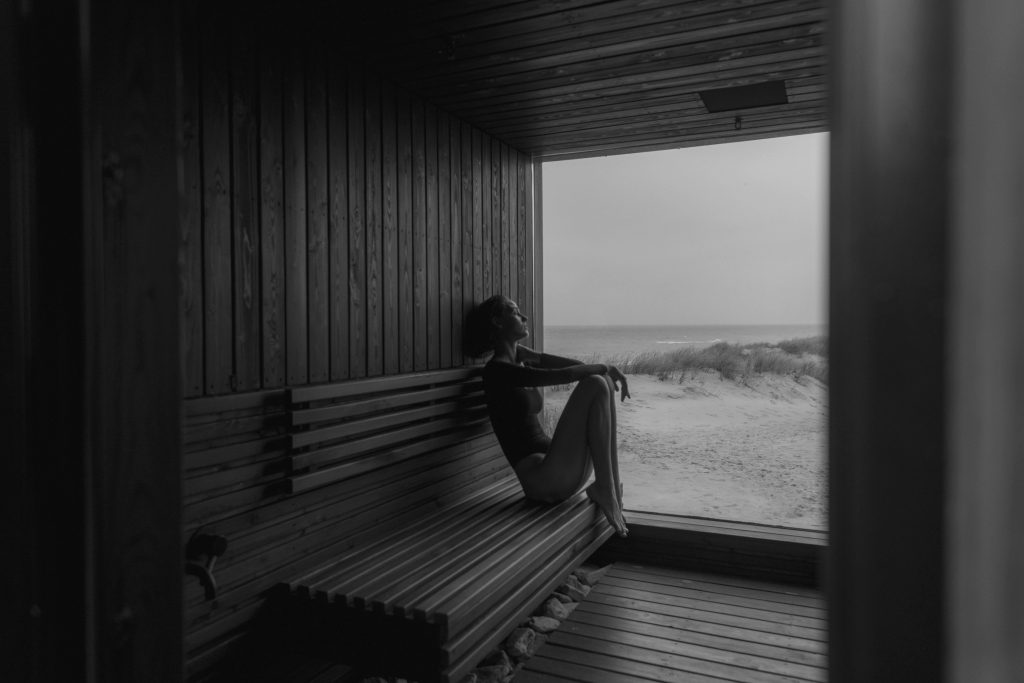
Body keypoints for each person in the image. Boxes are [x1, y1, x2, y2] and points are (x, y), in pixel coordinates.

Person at [465, 294, 629, 537]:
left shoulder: (520, 363)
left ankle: (611, 487)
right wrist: (605, 367)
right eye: (514, 312)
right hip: (543, 481)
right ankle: (606, 488)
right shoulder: (497, 371)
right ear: (498, 322)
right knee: (596, 381)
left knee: (601, 381)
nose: (525, 317)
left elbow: (572, 366)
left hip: (558, 470)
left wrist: (533, 356)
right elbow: (564, 376)